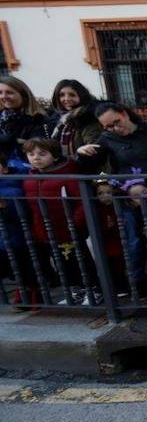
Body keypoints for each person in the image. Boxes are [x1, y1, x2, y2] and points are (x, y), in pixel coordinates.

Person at [21, 138, 99, 305]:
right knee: (61, 263)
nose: (36, 158)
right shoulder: (29, 178)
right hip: (47, 229)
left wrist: (75, 222)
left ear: (55, 156)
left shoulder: (67, 175)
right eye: (31, 154)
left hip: (69, 227)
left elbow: (81, 201)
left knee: (81, 259)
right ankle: (75, 290)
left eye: (42, 154)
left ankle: (94, 289)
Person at [76, 103, 147, 174]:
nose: (116, 128)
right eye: (109, 127)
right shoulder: (107, 138)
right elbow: (90, 164)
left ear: (124, 114)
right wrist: (82, 153)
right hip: (130, 193)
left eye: (117, 121)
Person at [0, 152, 39, 305]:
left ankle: (29, 292)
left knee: (23, 265)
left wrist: (5, 207)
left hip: (16, 235)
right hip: (6, 237)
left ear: (5, 169)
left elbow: (18, 213)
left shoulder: (13, 187)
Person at [0, 75, 55, 163]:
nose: (4, 96)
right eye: (0, 93)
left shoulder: (40, 120)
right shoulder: (2, 117)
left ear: (24, 95)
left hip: (26, 172)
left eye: (9, 92)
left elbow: (39, 149)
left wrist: (12, 141)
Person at [48, 79, 102, 159]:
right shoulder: (60, 120)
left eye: (72, 95)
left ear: (81, 96)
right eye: (62, 95)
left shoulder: (89, 118)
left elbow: (94, 149)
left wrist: (79, 154)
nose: (66, 99)